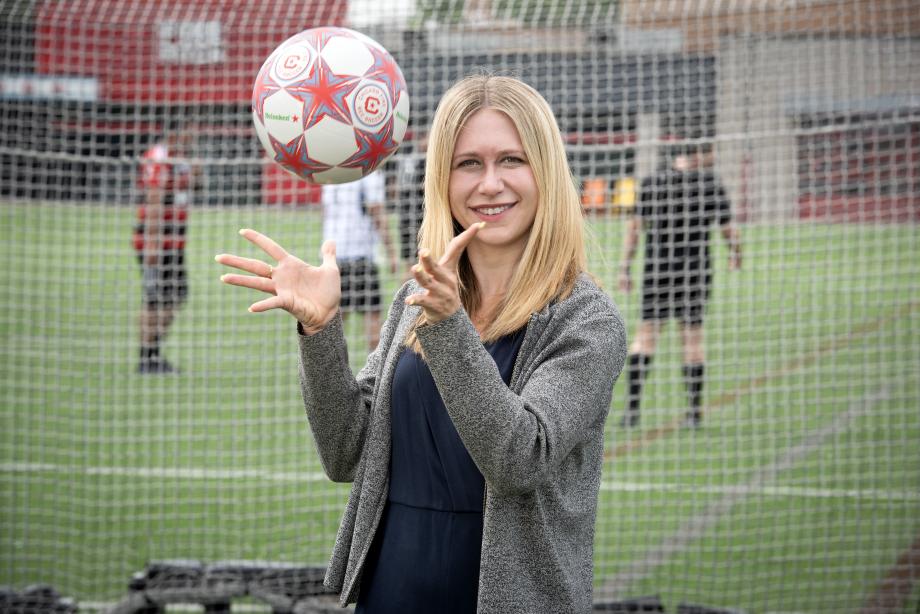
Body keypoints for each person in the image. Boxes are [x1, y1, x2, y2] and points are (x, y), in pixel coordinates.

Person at [216, 74, 627, 613]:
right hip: (394, 586)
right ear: (443, 180)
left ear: (546, 171)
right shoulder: (417, 297)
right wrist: (320, 332)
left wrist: (448, 324)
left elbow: (519, 458)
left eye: (512, 160)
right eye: (469, 164)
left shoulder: (586, 320)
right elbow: (347, 454)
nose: (490, 184)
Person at [617, 141, 742, 428]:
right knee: (692, 340)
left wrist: (625, 268)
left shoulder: (652, 182)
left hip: (656, 269)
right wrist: (737, 253)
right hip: (694, 271)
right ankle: (694, 414)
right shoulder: (709, 183)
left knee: (645, 337)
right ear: (699, 152)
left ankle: (632, 411)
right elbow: (728, 230)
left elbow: (634, 229)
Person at [133, 117, 197, 374]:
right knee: (155, 300)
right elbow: (154, 200)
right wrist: (152, 245)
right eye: (189, 133)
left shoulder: (180, 160)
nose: (193, 139)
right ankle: (147, 358)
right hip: (158, 242)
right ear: (176, 134)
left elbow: (195, 188)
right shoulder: (160, 157)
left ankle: (152, 353)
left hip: (174, 241)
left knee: (174, 296)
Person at [320, 171, 399, 352]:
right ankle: (377, 375)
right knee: (373, 319)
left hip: (332, 254)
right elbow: (376, 211)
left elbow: (325, 213)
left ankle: (327, 372)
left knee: (334, 320)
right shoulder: (369, 174)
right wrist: (392, 252)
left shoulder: (329, 174)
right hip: (360, 255)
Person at [395, 130, 428, 271]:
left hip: (408, 217)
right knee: (415, 267)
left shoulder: (408, 158)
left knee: (414, 266)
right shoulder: (423, 161)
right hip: (415, 218)